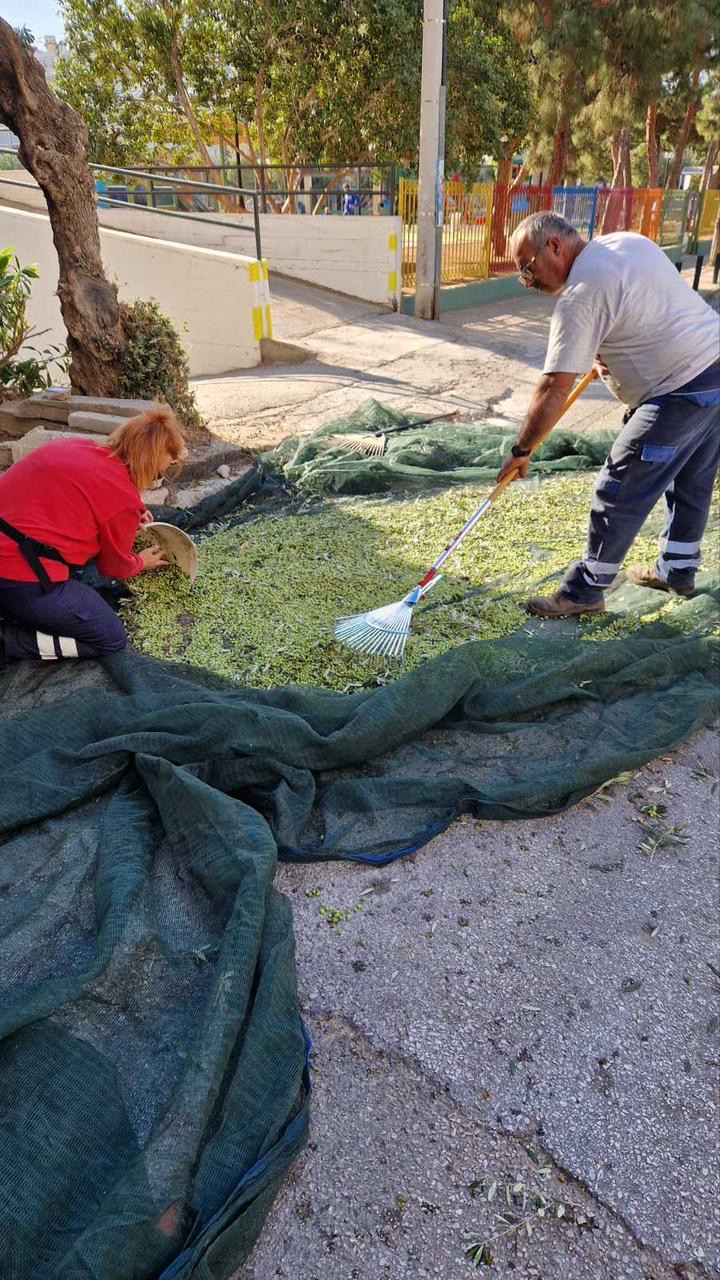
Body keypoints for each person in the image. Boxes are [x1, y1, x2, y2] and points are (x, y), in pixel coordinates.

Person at [497, 212, 720, 618]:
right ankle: (678, 569)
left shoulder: (582, 291)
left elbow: (553, 388)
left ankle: (584, 592)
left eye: (528, 270)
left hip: (679, 389)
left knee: (619, 485)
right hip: (715, 368)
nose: (530, 283)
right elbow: (647, 308)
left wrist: (522, 449)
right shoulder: (624, 242)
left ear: (554, 246)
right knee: (691, 479)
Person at [0, 406, 185, 662]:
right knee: (110, 638)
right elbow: (114, 567)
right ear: (148, 462)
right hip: (16, 578)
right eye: (158, 472)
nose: (158, 477)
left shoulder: (82, 447)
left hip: (9, 544)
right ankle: (8, 642)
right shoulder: (120, 497)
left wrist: (136, 508)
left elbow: (87, 489)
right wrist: (142, 561)